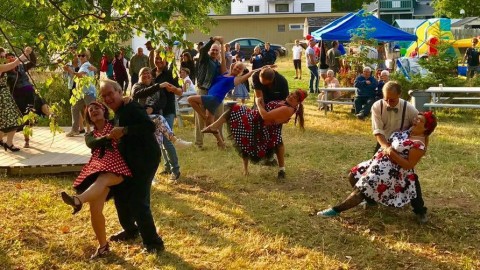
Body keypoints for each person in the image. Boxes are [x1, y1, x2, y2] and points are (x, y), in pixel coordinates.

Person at [317, 111, 437, 222]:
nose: (415, 121)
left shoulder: (418, 145)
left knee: (363, 188)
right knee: (353, 175)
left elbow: (409, 165)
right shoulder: (409, 130)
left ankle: (336, 210)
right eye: (416, 118)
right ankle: (371, 201)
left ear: (426, 127)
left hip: (391, 171)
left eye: (420, 121)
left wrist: (391, 153)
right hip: (378, 163)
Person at [99, 79, 165, 253]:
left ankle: (153, 243)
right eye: (104, 95)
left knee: (138, 201)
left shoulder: (132, 107)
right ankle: (131, 230)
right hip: (129, 161)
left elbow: (150, 126)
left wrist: (125, 130)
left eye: (110, 93)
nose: (107, 98)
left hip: (145, 160)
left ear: (120, 92)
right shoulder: (119, 112)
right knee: (120, 195)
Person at [61, 101, 132, 259]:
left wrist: (127, 100)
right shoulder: (90, 135)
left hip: (116, 168)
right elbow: (92, 143)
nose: (93, 111)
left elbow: (127, 120)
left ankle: (78, 200)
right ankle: (103, 247)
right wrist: (108, 136)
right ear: (89, 118)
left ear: (104, 111)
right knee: (95, 210)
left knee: (103, 178)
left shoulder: (114, 123)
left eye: (97, 108)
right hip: (96, 170)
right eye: (90, 110)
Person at [203, 90, 307, 176]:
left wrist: (257, 103)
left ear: (297, 103)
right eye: (292, 94)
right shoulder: (286, 103)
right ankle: (213, 127)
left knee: (235, 112)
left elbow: (265, 116)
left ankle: (213, 127)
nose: (291, 96)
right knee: (236, 116)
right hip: (256, 120)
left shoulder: (287, 109)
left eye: (295, 97)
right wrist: (262, 104)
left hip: (260, 126)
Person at [189, 61, 262, 147]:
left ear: (241, 72)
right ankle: (221, 143)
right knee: (210, 124)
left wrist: (262, 68)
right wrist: (222, 47)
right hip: (214, 99)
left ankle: (204, 117)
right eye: (237, 67)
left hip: (213, 98)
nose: (237, 69)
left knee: (190, 99)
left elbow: (251, 72)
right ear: (233, 65)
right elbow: (223, 60)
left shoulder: (236, 79)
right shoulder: (225, 73)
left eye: (240, 69)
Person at [251, 67, 290, 179]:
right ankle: (269, 158)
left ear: (272, 80)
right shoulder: (256, 76)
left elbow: (285, 103)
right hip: (261, 107)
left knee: (277, 138)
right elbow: (259, 98)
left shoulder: (282, 82)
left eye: (267, 84)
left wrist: (278, 117)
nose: (264, 85)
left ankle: (282, 169)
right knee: (260, 134)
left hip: (276, 110)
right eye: (262, 83)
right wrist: (264, 117)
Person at [194, 36, 227, 148]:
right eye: (213, 49)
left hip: (215, 94)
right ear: (209, 51)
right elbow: (203, 50)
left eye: (216, 50)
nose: (214, 52)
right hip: (202, 90)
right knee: (200, 118)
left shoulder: (218, 63)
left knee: (219, 116)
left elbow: (224, 72)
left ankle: (220, 141)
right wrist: (213, 40)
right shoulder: (204, 58)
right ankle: (199, 143)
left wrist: (222, 46)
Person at [0, 48, 29, 152]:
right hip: (2, 97)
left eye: (4, 56)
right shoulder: (1, 67)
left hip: (5, 95)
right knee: (14, 120)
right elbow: (14, 63)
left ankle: (8, 143)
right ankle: (9, 143)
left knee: (9, 121)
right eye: (1, 57)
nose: (3, 58)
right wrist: (25, 54)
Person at [63, 49, 97, 137]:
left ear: (87, 56)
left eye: (83, 55)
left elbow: (80, 75)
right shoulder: (84, 65)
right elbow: (94, 69)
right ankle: (75, 130)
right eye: (79, 56)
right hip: (82, 93)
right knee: (74, 107)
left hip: (89, 92)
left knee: (92, 111)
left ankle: (97, 130)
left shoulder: (85, 65)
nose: (81, 57)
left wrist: (69, 70)